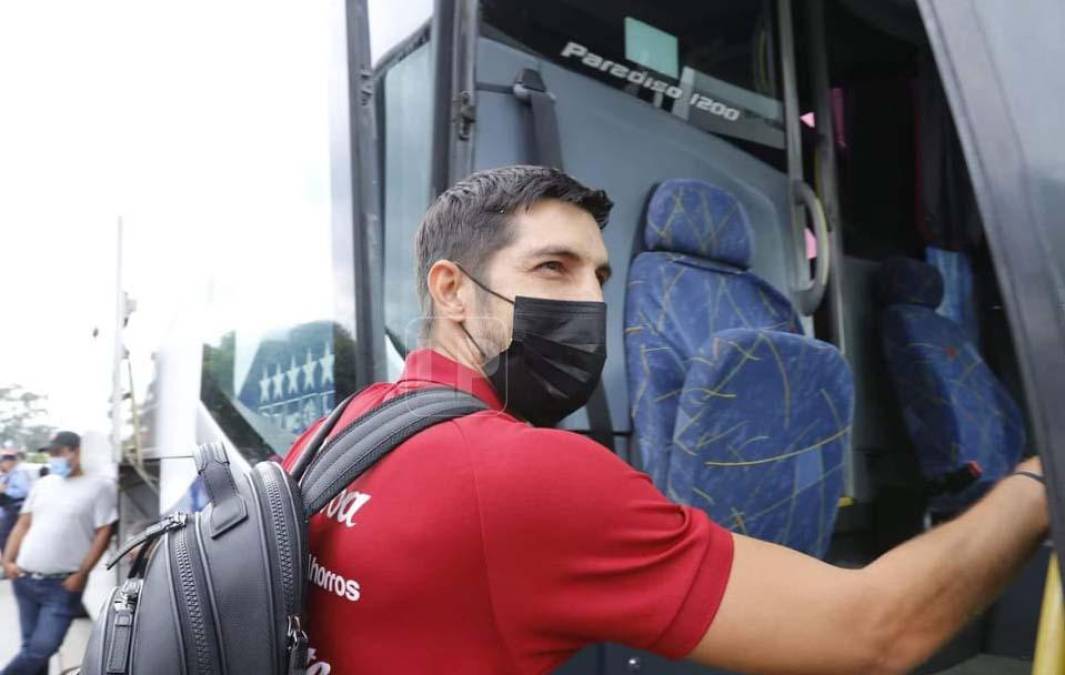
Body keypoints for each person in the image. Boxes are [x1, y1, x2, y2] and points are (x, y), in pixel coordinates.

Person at [282, 166, 1049, 674]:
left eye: (600, 275)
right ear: (450, 289)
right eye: (553, 267)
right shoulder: (522, 475)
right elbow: (874, 630)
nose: (587, 301)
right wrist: (1038, 479)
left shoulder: (339, 427)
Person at [1, 431, 116, 675]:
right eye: (51, 454)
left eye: (58, 453)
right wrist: (7, 561)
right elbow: (23, 524)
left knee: (42, 648)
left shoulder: (99, 487)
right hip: (25, 579)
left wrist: (82, 574)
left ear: (77, 452)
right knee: (31, 650)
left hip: (62, 585)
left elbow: (104, 533)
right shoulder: (43, 485)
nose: (54, 458)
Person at [0, 451, 30, 557]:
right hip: (5, 509)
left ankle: (9, 560)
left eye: (2, 462)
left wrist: (6, 490)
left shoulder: (19, 474)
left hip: (14, 510)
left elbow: (24, 491)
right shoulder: (6, 475)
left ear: (9, 462)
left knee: (5, 536)